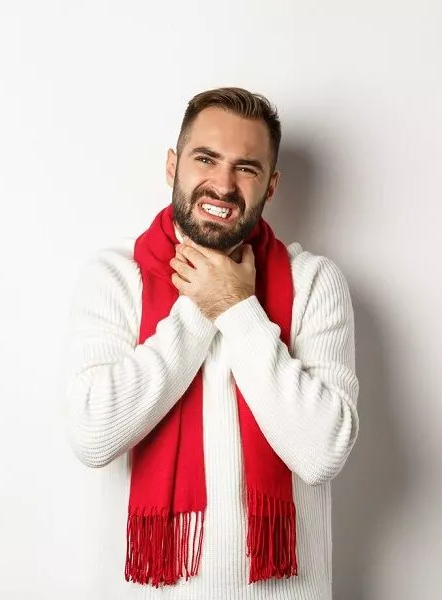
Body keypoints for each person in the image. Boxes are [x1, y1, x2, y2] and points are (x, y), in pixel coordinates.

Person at [63, 86, 359, 599]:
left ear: (271, 186)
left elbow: (322, 453)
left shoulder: (313, 282)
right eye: (206, 158)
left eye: (246, 168)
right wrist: (203, 304)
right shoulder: (114, 278)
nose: (223, 184)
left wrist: (237, 307)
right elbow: (93, 436)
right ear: (173, 165)